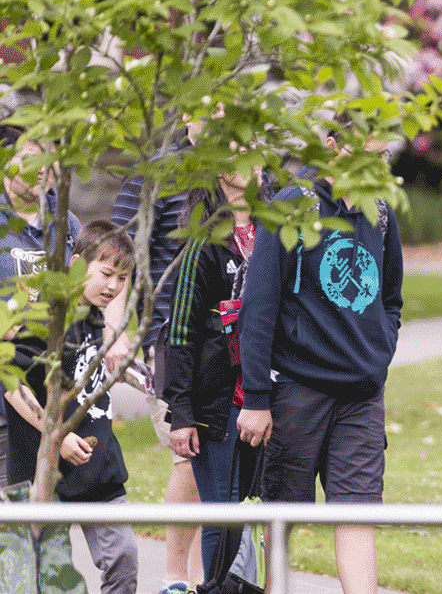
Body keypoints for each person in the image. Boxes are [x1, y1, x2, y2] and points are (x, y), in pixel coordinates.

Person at [236, 124, 402, 594]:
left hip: (362, 394)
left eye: (383, 158)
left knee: (358, 511)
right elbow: (259, 307)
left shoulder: (382, 212)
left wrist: (379, 350)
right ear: (333, 147)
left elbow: (391, 296)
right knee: (283, 514)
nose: (378, 168)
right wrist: (257, 397)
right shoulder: (292, 205)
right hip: (297, 389)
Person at [5, 220, 139, 594]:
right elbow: (12, 385)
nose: (113, 286)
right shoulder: (43, 318)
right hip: (44, 467)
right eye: (107, 273)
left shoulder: (102, 316)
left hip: (100, 468)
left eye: (122, 278)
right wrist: (57, 436)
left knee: (125, 561)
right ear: (78, 263)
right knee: (46, 579)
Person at [110, 119, 205, 594]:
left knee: (226, 464)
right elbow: (118, 251)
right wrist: (115, 326)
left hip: (237, 346)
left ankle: (217, 576)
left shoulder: (253, 175)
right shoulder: (157, 172)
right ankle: (176, 579)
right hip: (172, 341)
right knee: (188, 456)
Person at [163, 166, 264, 579]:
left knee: (256, 514)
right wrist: (181, 413)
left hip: (264, 396)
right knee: (221, 513)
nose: (254, 162)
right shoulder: (201, 241)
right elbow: (181, 330)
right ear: (221, 169)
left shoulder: (274, 234)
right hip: (216, 396)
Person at [0, 125, 83, 485]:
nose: (41, 169)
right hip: (7, 391)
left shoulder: (68, 224)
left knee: (47, 520)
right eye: (29, 158)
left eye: (47, 160)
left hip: (52, 389)